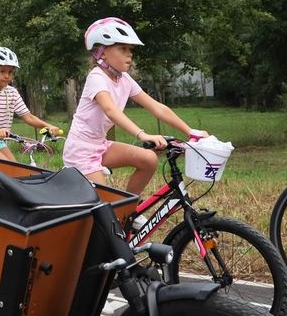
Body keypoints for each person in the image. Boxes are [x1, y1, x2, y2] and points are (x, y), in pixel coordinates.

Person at [62, 18, 207, 197]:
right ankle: (115, 217)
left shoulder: (124, 79)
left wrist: (190, 131)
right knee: (103, 210)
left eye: (130, 50)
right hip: (80, 151)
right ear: (102, 52)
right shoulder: (97, 77)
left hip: (101, 145)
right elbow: (110, 110)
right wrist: (142, 134)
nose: (129, 54)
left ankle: (128, 212)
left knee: (148, 159)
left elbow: (156, 107)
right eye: (122, 49)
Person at [0, 46, 63, 160]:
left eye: (10, 72)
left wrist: (48, 126)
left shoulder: (12, 92)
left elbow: (28, 117)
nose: (7, 76)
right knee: (4, 163)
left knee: (14, 166)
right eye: (2, 71)